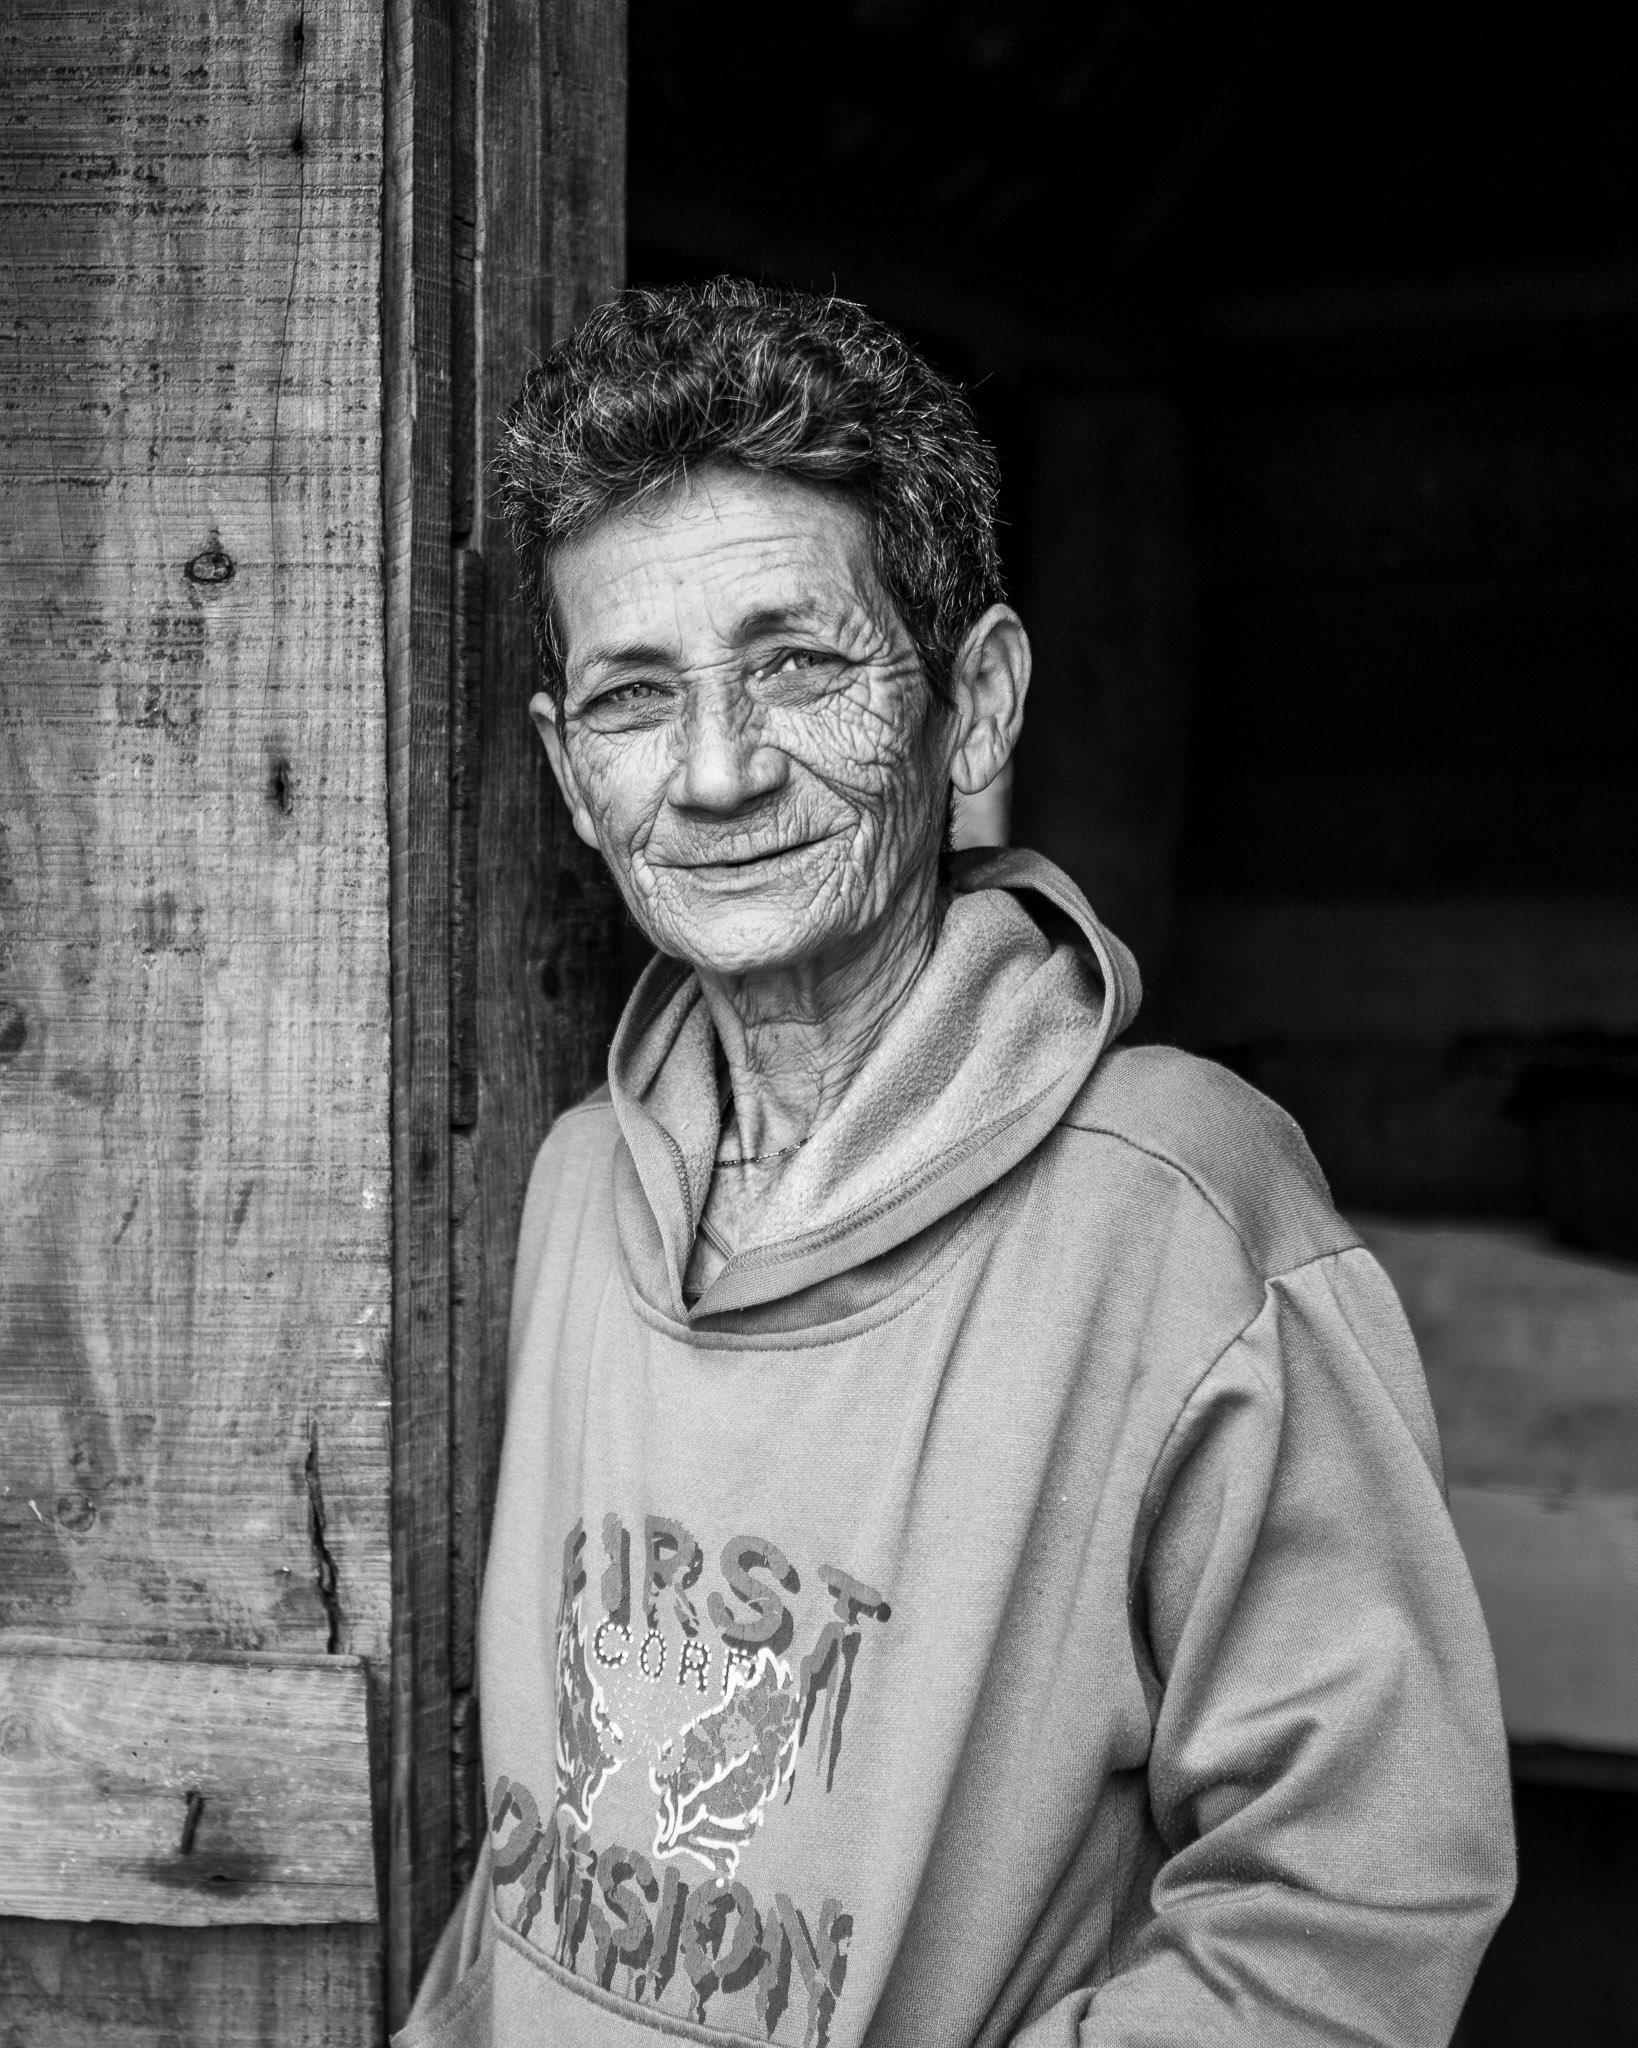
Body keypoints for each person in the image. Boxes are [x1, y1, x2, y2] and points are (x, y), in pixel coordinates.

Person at [398, 278, 1513, 2048]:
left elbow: (1350, 1915)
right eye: (631, 696)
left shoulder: (1181, 1217)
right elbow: (546, 1867)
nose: (711, 772)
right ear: (564, 770)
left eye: (799, 663)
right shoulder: (570, 1191)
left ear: (974, 708)